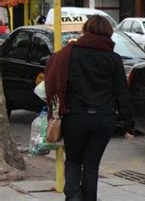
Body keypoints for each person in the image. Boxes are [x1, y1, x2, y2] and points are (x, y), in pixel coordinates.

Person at [45, 15, 134, 201]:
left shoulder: (69, 54)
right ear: (108, 34)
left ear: (86, 30)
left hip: (74, 117)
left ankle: (74, 197)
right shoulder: (113, 59)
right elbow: (122, 94)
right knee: (92, 165)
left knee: (74, 160)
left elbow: (57, 83)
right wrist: (128, 124)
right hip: (103, 118)